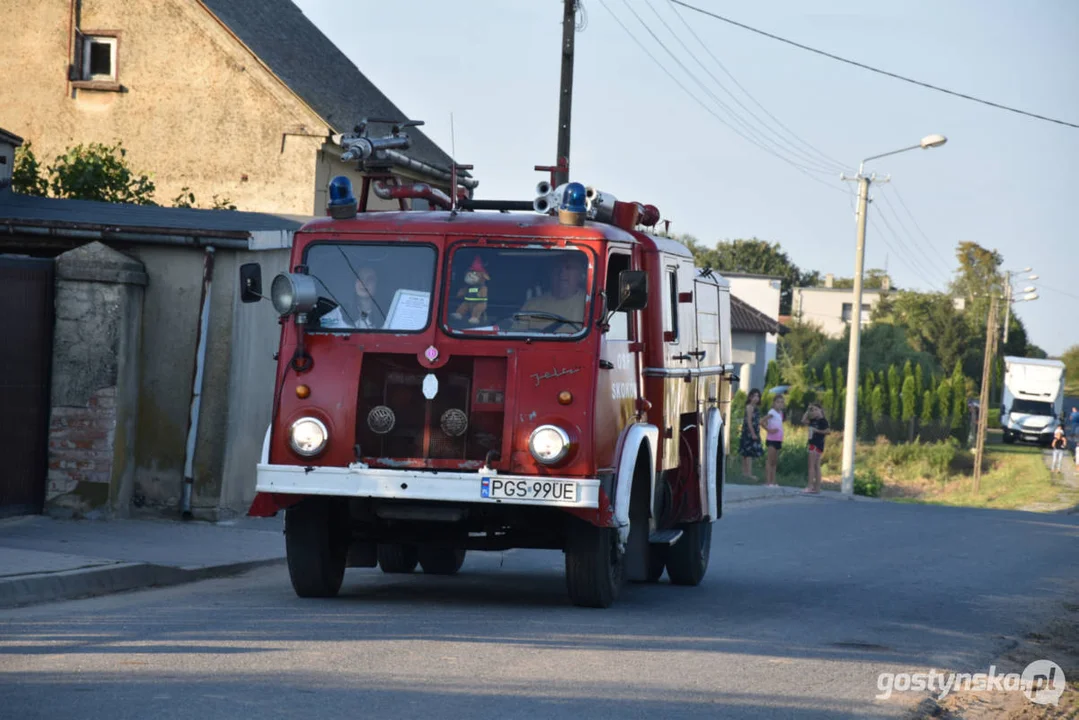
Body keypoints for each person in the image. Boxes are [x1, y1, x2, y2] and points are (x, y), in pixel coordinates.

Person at [512, 255, 587, 333]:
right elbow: (517, 336)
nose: (562, 273)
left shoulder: (590, 303)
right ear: (550, 273)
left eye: (569, 267)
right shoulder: (531, 305)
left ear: (581, 275)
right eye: (557, 267)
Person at [320, 266, 384, 329]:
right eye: (360, 278)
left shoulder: (389, 314)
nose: (364, 283)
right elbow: (320, 326)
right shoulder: (342, 313)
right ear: (355, 283)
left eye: (370, 279)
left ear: (377, 284)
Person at [801, 403, 830, 494]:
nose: (814, 412)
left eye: (816, 410)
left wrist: (816, 430)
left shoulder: (823, 421)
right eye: (813, 410)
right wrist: (807, 410)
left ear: (821, 410)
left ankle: (810, 487)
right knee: (816, 466)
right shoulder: (813, 420)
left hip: (816, 444)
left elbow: (827, 431)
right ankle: (816, 488)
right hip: (813, 443)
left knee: (812, 466)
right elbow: (803, 420)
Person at [738, 388, 764, 480]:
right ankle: (747, 473)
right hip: (748, 432)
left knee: (748, 453)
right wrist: (753, 433)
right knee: (747, 453)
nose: (756, 398)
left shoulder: (756, 408)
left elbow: (758, 421)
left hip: (754, 430)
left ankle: (746, 473)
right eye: (754, 396)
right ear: (750, 397)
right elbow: (749, 421)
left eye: (758, 396)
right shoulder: (749, 407)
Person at [762, 394, 786, 487]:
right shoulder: (771, 412)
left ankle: (773, 480)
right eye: (778, 402)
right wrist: (769, 430)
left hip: (778, 439)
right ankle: (768, 481)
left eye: (781, 402)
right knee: (770, 460)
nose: (780, 404)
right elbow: (762, 421)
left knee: (775, 461)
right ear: (774, 403)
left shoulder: (780, 414)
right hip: (771, 439)